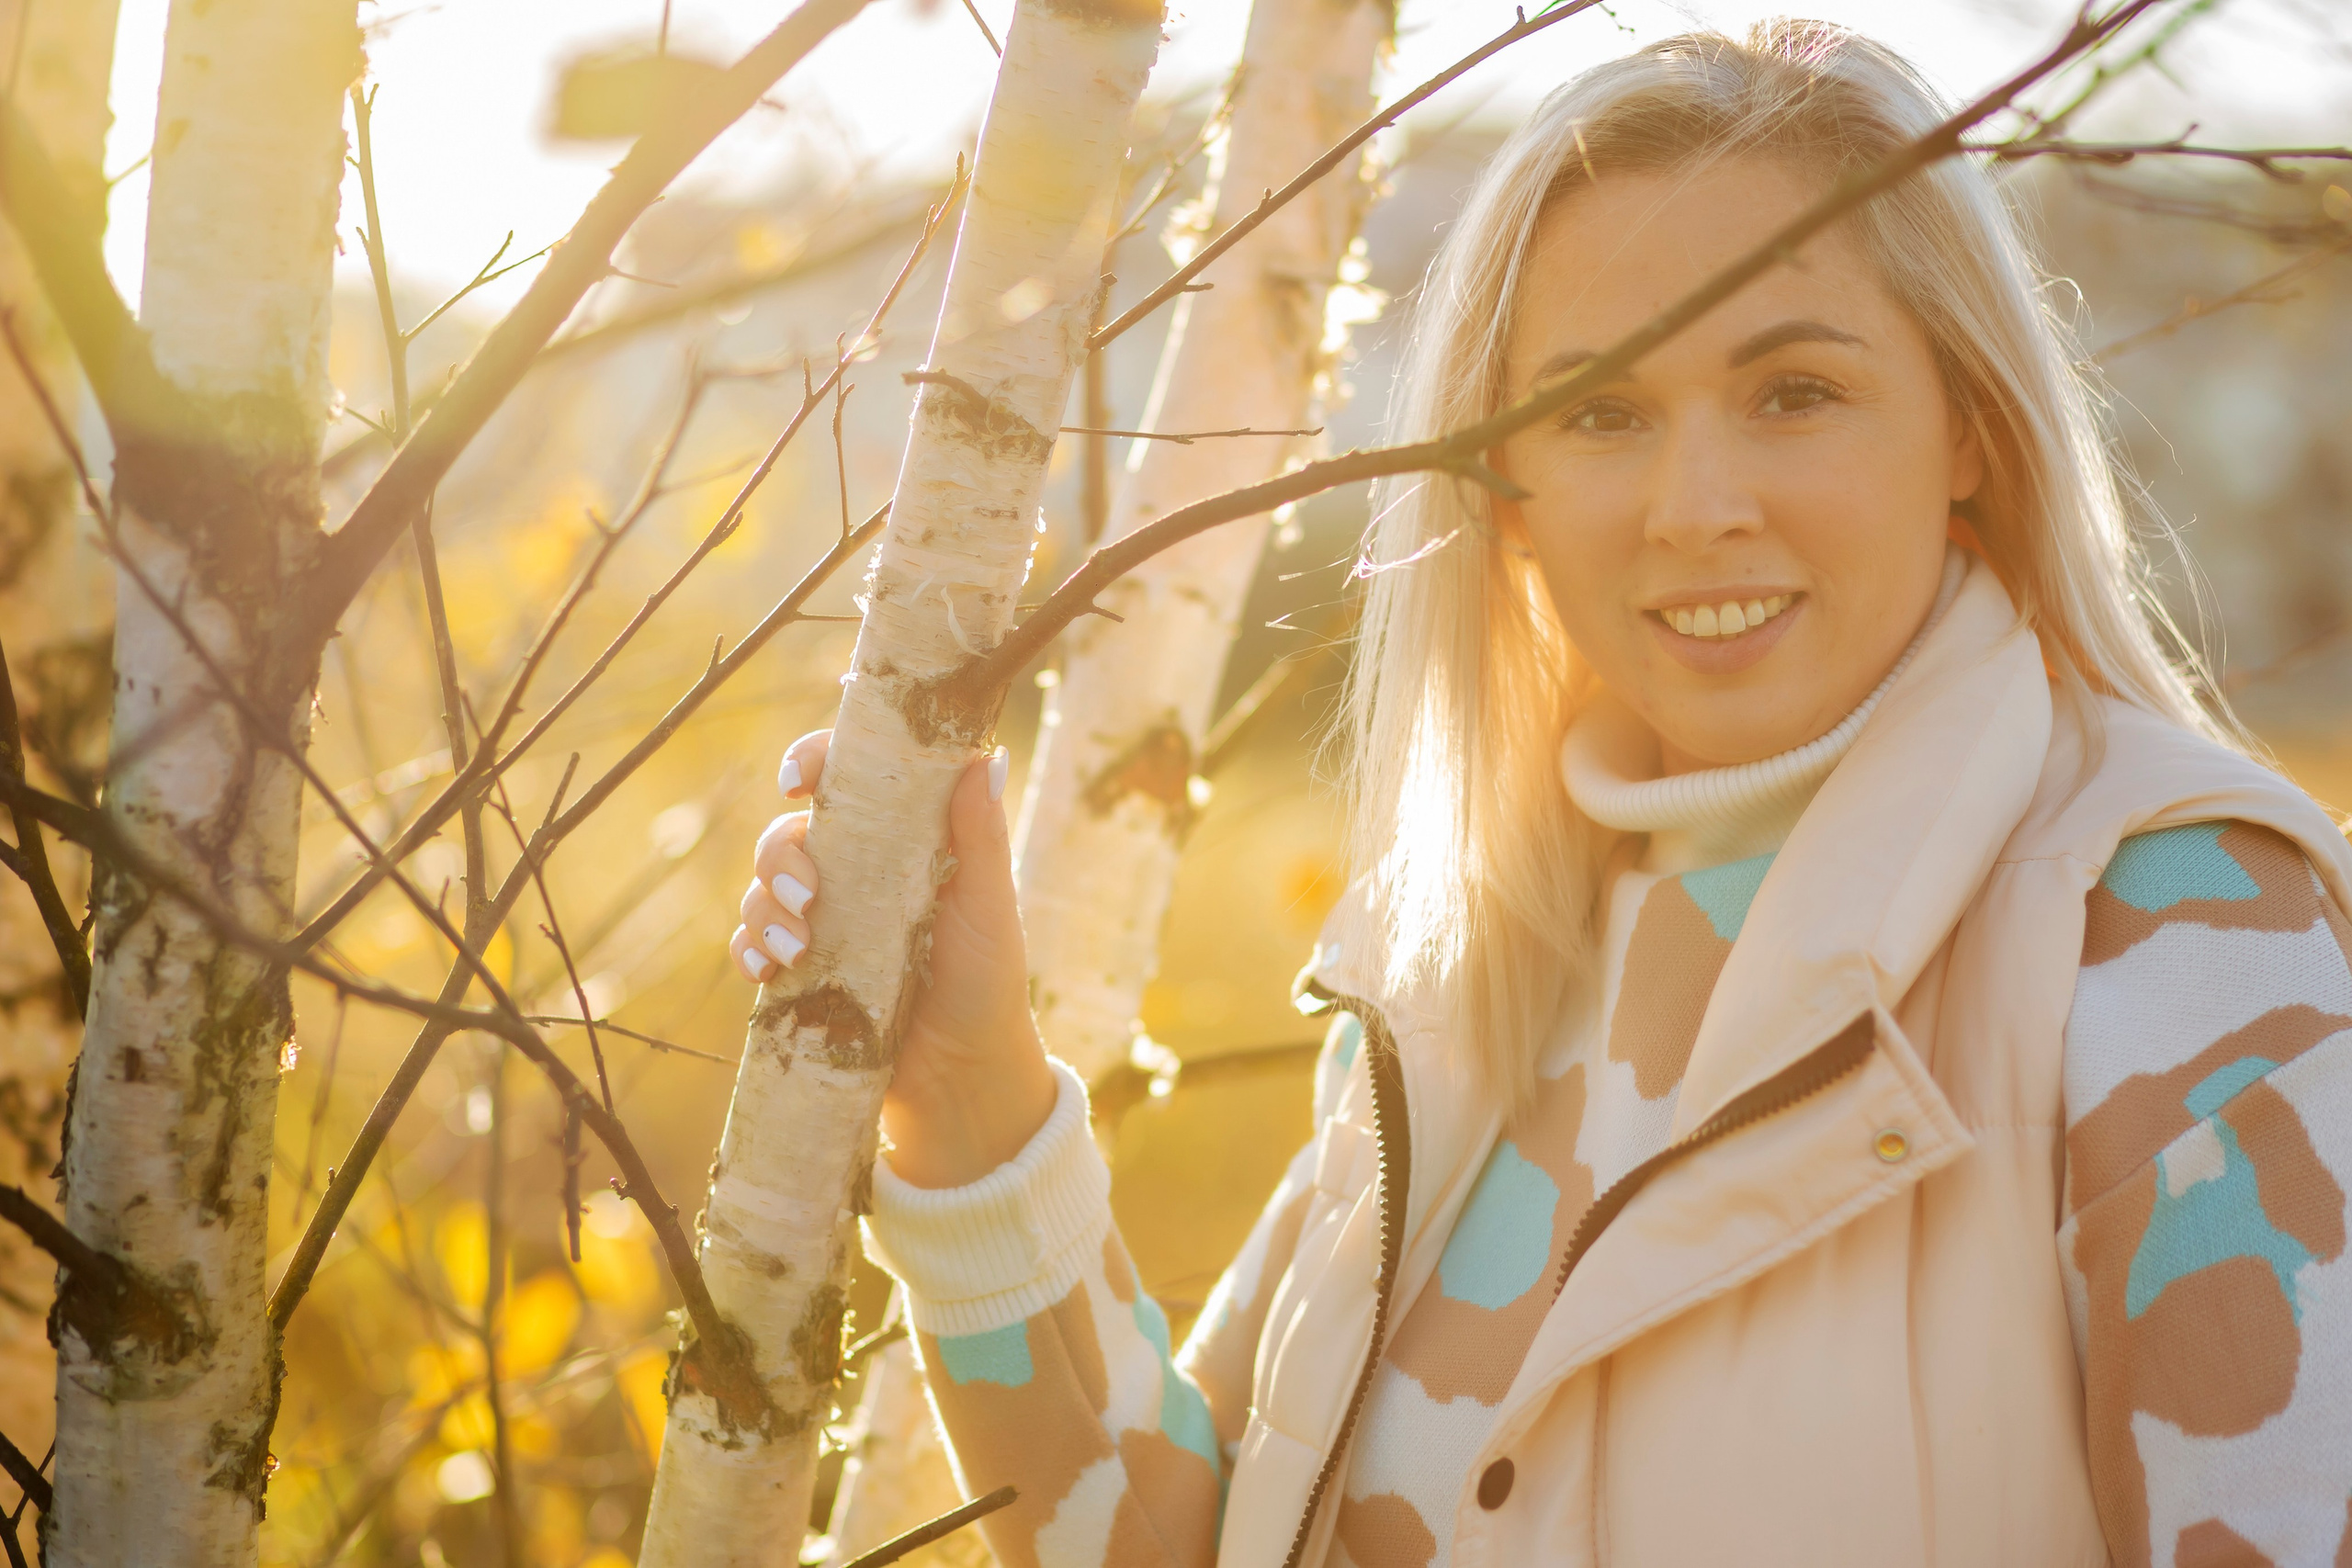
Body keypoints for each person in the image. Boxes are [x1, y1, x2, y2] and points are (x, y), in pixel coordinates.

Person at [730, 21, 2352, 1568]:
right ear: (1504, 496)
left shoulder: (2177, 934)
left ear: (1969, 432)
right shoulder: (1466, 966)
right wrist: (967, 1096)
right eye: (1603, 413)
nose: (1696, 506)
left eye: (1794, 392)